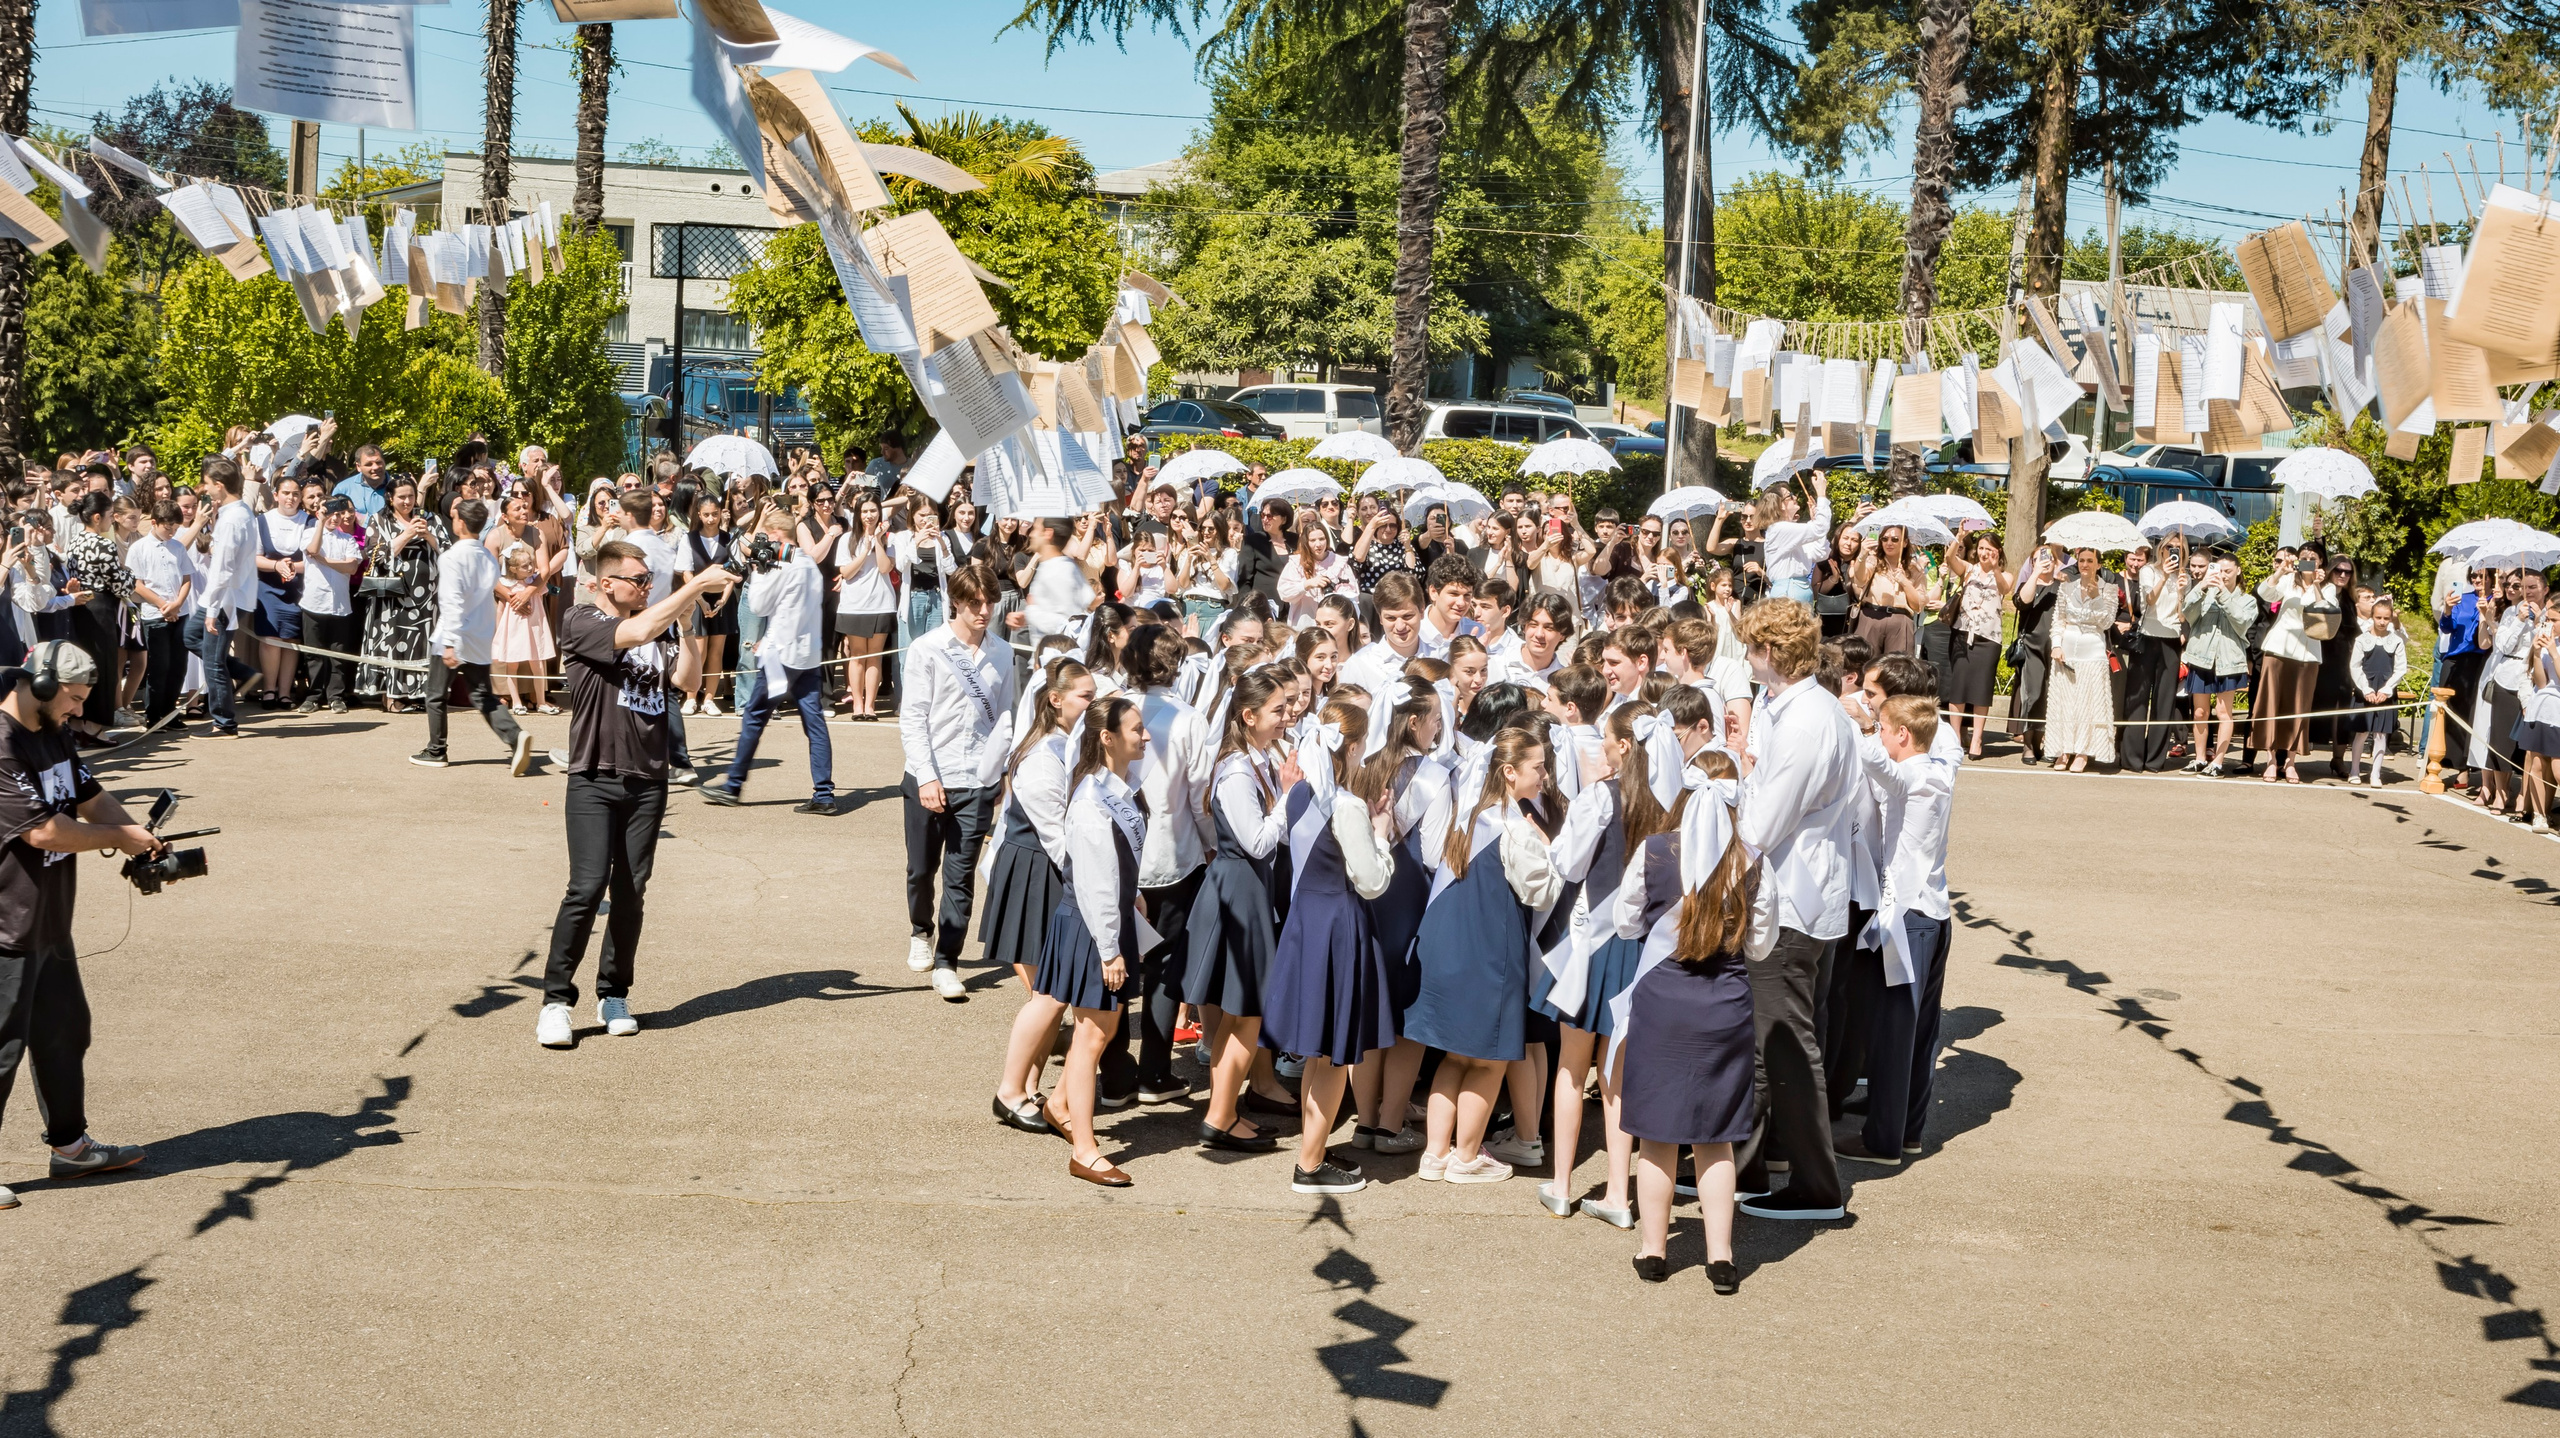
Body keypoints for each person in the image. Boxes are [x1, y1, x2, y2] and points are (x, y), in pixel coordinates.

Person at [536, 541, 741, 1048]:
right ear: (607, 582)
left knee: (631, 890)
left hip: (648, 778)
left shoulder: (658, 627)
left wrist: (688, 624)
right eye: (638, 579)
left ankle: (614, 993)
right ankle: (556, 1002)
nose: (647, 586)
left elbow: (687, 680)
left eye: (650, 579)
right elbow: (636, 632)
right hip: (594, 775)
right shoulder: (582, 619)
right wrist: (694, 585)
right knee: (586, 888)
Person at [0, 641, 162, 1209]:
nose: (78, 709)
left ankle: (70, 1148)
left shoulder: (54, 732)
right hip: (5, 925)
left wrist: (141, 837)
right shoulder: (2, 744)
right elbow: (44, 832)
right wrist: (120, 838)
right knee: (1, 1048)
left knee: (65, 1032)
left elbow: (90, 798)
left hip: (47, 920)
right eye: (72, 698)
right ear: (40, 685)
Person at [1728, 597, 1853, 1221]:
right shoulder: (1798, 708)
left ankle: (1816, 1184)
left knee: (1786, 1042)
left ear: (1771, 652)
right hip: (1793, 891)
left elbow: (1764, 822)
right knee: (1763, 1041)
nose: (1746, 660)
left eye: (1750, 649)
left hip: (1793, 899)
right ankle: (1746, 1165)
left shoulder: (1808, 720)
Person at [1531, 704, 1681, 1225]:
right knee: (1617, 1073)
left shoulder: (1601, 796)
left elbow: (1568, 863)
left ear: (1621, 746)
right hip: (1645, 948)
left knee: (1572, 1069)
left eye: (1606, 740)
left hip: (1594, 947)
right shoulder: (1673, 801)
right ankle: (1619, 1194)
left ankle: (1561, 1186)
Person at [1613, 749, 1757, 1289]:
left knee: (1657, 1136)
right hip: (1725, 1006)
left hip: (1663, 1004)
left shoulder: (1654, 850)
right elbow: (1762, 943)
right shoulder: (1750, 859)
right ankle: (1720, 1257)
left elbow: (1625, 921)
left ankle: (1654, 1251)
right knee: (1715, 1139)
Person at [1405, 723, 1563, 1186]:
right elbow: (1541, 892)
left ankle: (1435, 1154)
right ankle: (1467, 1156)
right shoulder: (1516, 827)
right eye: (1538, 767)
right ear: (1510, 772)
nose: (1544, 775)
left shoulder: (1469, 817)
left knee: (1454, 1057)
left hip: (1447, 949)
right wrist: (1551, 851)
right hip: (1489, 955)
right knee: (1488, 1061)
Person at [1261, 697, 1403, 1195]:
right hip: (1339, 925)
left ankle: (1313, 1149)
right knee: (1336, 1057)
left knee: (1318, 1051)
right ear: (1354, 746)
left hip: (1307, 920)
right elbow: (1372, 881)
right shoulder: (1346, 805)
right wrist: (1381, 833)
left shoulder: (1300, 794)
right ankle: (1310, 1164)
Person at [1032, 693, 1149, 1188]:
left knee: (1105, 1026)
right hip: (1093, 926)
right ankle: (1084, 1150)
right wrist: (1110, 949)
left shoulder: (1116, 788)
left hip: (1106, 921)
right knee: (1090, 1037)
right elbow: (1094, 882)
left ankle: (1060, 1103)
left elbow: (1113, 870)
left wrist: (1133, 896)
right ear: (1107, 738)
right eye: (1136, 729)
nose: (1146, 735)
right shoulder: (1091, 802)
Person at [1184, 669, 1301, 1154]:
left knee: (1242, 1016)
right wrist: (1289, 794)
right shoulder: (1236, 771)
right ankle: (1219, 1117)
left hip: (1248, 891)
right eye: (1278, 709)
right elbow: (1256, 842)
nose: (1287, 715)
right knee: (1245, 1015)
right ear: (1249, 716)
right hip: (1238, 892)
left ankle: (1224, 1110)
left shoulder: (1257, 760)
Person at [986, 658, 1097, 1130]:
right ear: (1056, 699)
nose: (1093, 704)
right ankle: (1010, 1092)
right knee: (1047, 993)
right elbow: (1056, 837)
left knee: (1053, 992)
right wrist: (1095, 877)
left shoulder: (1065, 744)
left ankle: (1029, 1087)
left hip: (1047, 869)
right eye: (1085, 697)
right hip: (1035, 871)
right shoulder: (1041, 757)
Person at [901, 564, 1015, 997]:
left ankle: (947, 961)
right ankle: (920, 930)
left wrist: (1001, 771)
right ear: (956, 602)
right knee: (920, 870)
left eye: (990, 603)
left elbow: (1005, 718)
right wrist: (926, 777)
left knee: (960, 876)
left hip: (976, 780)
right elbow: (913, 717)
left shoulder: (1003, 653)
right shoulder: (927, 648)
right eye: (974, 603)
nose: (984, 611)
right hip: (929, 775)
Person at [705, 507, 838, 817]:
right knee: (815, 724)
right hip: (807, 655)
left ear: (777, 535)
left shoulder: (783, 567)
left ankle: (733, 786)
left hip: (781, 657)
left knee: (754, 717)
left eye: (767, 535)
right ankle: (824, 794)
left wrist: (760, 570)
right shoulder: (808, 563)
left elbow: (759, 605)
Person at [413, 501, 533, 776]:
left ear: (461, 523)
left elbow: (451, 601)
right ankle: (514, 735)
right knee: (481, 694)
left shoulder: (451, 557)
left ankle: (436, 750)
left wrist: (450, 642)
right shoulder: (487, 557)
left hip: (454, 634)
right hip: (480, 634)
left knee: (435, 694)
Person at [2251, 545, 2339, 785]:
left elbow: (2326, 610)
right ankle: (2271, 760)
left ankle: (2290, 761)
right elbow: (2265, 593)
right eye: (2304, 558)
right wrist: (2281, 570)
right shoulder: (2288, 580)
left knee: (2299, 707)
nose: (2308, 561)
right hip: (2278, 648)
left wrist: (2317, 585)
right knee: (2271, 704)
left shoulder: (2328, 586)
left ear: (2321, 562)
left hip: (2307, 653)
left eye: (2313, 558)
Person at [189, 461, 261, 739]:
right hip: (224, 596)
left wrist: (212, 609)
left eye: (207, 484)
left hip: (225, 599)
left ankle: (224, 722)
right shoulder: (236, 512)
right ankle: (243, 671)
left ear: (219, 485)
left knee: (213, 661)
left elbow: (223, 569)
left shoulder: (233, 519)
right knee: (190, 636)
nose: (205, 489)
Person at [358, 478, 442, 714]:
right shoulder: (378, 520)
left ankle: (418, 694)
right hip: (391, 596)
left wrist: (428, 536)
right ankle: (392, 697)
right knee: (393, 642)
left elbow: (447, 548)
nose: (407, 501)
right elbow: (374, 554)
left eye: (411, 496)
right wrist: (407, 534)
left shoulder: (430, 518)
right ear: (390, 498)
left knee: (420, 643)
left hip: (426, 597)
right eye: (401, 497)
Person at [2045, 547, 2121, 773]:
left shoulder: (2109, 589)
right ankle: (2063, 749)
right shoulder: (2066, 588)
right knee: (2065, 703)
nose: (2085, 564)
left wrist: (2096, 597)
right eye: (2081, 560)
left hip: (2093, 653)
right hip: (2067, 652)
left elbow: (2106, 622)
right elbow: (2058, 620)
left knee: (2088, 705)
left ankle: (2082, 752)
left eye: (2090, 560)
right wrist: (2056, 644)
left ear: (2098, 564)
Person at [2180, 553, 2255, 776]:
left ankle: (2218, 762)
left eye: (2227, 571)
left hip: (2228, 661)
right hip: (2201, 658)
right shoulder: (2205, 594)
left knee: (2224, 712)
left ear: (2238, 571)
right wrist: (2202, 587)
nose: (2222, 575)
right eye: (2219, 570)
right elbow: (2187, 613)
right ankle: (2199, 758)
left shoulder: (2247, 600)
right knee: (2199, 712)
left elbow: (2242, 622)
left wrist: (2223, 594)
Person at [124, 503, 196, 730]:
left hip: (179, 613)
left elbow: (186, 578)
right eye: (168, 527)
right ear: (154, 523)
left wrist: (177, 604)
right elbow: (137, 583)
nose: (172, 532)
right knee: (159, 666)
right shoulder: (139, 548)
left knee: (178, 665)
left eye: (175, 528)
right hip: (155, 615)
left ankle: (170, 712)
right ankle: (154, 714)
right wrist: (162, 604)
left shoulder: (178, 547)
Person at [1939, 532, 2007, 758]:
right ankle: (1955, 737)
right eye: (1981, 548)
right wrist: (1958, 537)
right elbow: (1950, 558)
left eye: (1989, 549)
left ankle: (1977, 738)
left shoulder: (2005, 574)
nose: (1984, 553)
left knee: (1981, 690)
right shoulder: (1969, 569)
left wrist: (1995, 569)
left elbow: (2005, 589)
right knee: (1958, 688)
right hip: (1962, 634)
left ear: (1998, 551)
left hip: (1989, 639)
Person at [296, 492, 365, 713]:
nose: (334, 518)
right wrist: (319, 523)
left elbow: (351, 567)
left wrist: (324, 561)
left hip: (340, 605)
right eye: (329, 513)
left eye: (338, 514)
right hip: (314, 602)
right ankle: (314, 696)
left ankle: (336, 696)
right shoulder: (309, 533)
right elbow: (312, 549)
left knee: (338, 654)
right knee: (314, 654)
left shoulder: (347, 539)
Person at [490, 542, 558, 716]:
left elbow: (544, 582)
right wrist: (500, 632)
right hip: (514, 629)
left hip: (533, 627)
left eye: (531, 563)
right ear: (513, 569)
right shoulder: (508, 586)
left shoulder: (534, 584)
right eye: (525, 566)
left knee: (537, 663)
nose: (530, 568)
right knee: (512, 664)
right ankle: (517, 702)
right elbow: (501, 609)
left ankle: (541, 701)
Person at [2348, 598, 2409, 788]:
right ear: (2372, 617)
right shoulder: (2362, 640)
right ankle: (2354, 770)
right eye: (2378, 617)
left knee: (2381, 733)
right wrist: (2365, 689)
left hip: (2385, 691)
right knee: (2361, 732)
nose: (2382, 622)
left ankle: (2376, 773)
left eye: (2386, 618)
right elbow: (2355, 666)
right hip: (2365, 690)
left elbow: (2400, 668)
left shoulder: (2396, 641)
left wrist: (2387, 689)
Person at [2008, 546, 2060, 763]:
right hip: (2032, 647)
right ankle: (2028, 745)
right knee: (2033, 694)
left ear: (2056, 562)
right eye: (2039, 558)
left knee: (2052, 695)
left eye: (2049, 558)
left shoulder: (2062, 587)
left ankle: (2044, 743)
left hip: (2056, 648)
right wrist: (2036, 573)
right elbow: (2022, 602)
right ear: (2032, 563)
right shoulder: (2028, 585)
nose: (2045, 561)